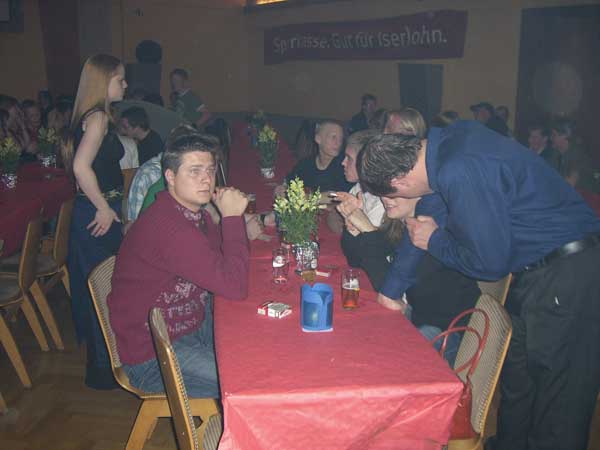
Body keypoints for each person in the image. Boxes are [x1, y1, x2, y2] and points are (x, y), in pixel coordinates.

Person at [358, 121, 600, 450]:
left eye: (389, 195)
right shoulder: (442, 151)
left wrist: (436, 241)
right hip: (535, 274)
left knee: (559, 406)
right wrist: (390, 292)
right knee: (519, 389)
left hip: (571, 271)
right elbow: (424, 219)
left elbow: (489, 264)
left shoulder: (459, 169)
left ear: (399, 181)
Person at [107, 127, 249, 397]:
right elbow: (234, 285)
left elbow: (227, 261)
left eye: (210, 170)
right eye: (194, 171)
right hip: (154, 355)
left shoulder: (191, 214)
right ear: (170, 177)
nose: (206, 179)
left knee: (256, 344)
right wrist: (231, 218)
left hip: (191, 325)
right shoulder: (169, 227)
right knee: (244, 381)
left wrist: (231, 222)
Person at [62, 54, 128, 389]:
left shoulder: (92, 115)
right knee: (103, 292)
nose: (125, 85)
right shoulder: (98, 116)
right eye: (120, 79)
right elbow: (80, 167)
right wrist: (103, 207)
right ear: (103, 82)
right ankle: (105, 370)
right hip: (95, 213)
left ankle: (105, 367)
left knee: (102, 290)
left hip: (95, 210)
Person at [275, 120, 352, 195]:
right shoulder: (305, 164)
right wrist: (282, 188)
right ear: (318, 139)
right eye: (333, 137)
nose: (338, 143)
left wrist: (310, 197)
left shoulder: (344, 167)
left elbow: (339, 196)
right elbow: (290, 182)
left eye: (340, 139)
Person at [550, 118, 600, 194]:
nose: (551, 138)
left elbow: (570, 184)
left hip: (586, 197)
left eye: (554, 135)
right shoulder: (555, 154)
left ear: (565, 135)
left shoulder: (577, 155)